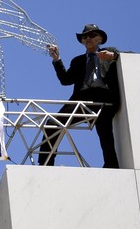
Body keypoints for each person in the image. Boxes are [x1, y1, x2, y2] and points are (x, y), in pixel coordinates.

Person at [38, 24, 121, 168]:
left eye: (92, 35)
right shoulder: (78, 61)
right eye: (85, 37)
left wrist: (112, 56)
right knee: (53, 124)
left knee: (105, 133)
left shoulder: (111, 52)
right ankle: (45, 164)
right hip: (82, 98)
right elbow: (66, 80)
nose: (88, 39)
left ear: (100, 39)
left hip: (104, 98)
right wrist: (57, 59)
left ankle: (111, 167)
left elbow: (128, 56)